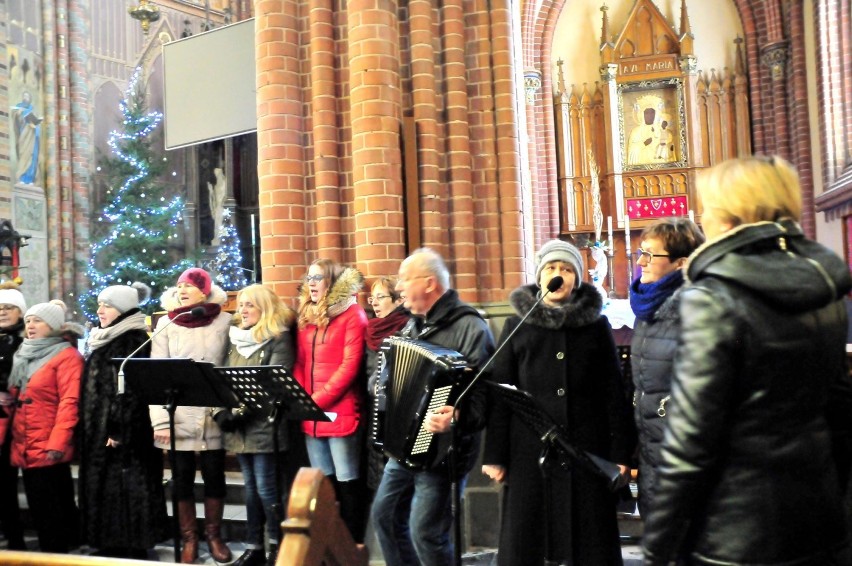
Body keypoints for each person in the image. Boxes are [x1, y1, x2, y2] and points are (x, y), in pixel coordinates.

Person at [642, 156, 852, 565]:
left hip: (736, 529)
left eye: (708, 207)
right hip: (818, 518)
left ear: (728, 213)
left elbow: (691, 440)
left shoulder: (713, 298)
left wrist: (657, 547)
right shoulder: (822, 284)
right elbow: (841, 412)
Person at [481, 240, 635, 566]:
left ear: (576, 280)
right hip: (529, 454)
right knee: (530, 542)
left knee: (588, 544)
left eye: (566, 269)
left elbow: (613, 394)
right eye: (551, 268)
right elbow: (501, 396)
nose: (558, 275)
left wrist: (621, 454)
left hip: (587, 450)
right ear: (540, 278)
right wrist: (495, 455)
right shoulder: (516, 327)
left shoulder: (595, 328)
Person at [371, 247, 496, 566]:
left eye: (404, 280)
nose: (398, 288)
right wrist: (382, 385)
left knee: (425, 531)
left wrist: (456, 416)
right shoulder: (413, 326)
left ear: (429, 283)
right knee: (384, 515)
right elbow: (386, 375)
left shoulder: (471, 328)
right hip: (405, 446)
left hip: (444, 452)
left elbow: (486, 400)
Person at [78, 282, 167, 559]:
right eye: (100, 304)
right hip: (99, 427)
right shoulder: (105, 337)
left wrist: (119, 428)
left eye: (107, 305)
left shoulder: (133, 340)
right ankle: (109, 541)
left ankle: (132, 542)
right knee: (106, 487)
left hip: (124, 431)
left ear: (123, 309)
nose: (100, 310)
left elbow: (131, 390)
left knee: (127, 487)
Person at [149, 267, 233, 564]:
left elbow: (229, 366)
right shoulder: (166, 324)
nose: (181, 290)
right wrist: (160, 421)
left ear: (205, 291)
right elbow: (155, 376)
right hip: (177, 414)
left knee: (215, 476)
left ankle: (213, 535)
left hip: (213, 413)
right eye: (179, 286)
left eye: (189, 286)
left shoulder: (225, 321)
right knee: (181, 479)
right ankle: (189, 539)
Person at [628, 218, 704, 517]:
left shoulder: (694, 310)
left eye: (651, 255)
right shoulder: (646, 308)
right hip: (650, 450)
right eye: (641, 253)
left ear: (681, 263)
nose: (642, 262)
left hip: (682, 457)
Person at [217, 284, 297, 566]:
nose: (243, 310)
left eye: (250, 305)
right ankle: (254, 548)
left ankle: (277, 546)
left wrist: (240, 410)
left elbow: (273, 384)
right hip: (239, 429)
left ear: (265, 308)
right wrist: (220, 412)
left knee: (267, 490)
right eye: (241, 305)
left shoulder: (278, 339)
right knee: (251, 490)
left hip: (265, 427)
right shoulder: (235, 338)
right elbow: (219, 378)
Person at [293, 258, 368, 542]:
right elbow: (300, 361)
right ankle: (329, 545)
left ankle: (351, 545)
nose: (311, 283)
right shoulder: (307, 315)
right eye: (309, 277)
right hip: (312, 412)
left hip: (341, 410)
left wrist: (317, 400)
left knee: (347, 481)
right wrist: (305, 399)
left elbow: (350, 366)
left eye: (318, 277)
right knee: (323, 485)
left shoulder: (352, 314)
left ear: (333, 282)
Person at [0, 302, 83, 552]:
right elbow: (12, 398)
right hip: (22, 441)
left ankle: (57, 555)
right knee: (39, 510)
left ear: (54, 325)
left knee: (51, 513)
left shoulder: (67, 356)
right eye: (28, 321)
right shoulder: (23, 353)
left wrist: (57, 443)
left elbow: (70, 403)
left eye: (38, 321)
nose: (31, 326)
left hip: (48, 444)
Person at [364, 277, 409, 496]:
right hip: (373, 413)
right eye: (372, 297)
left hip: (398, 414)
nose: (374, 303)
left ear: (399, 300)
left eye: (381, 297)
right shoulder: (371, 331)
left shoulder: (407, 328)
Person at [0, 285, 27, 550]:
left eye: (8, 308)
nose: (2, 312)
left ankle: (16, 538)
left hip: (17, 421)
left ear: (20, 312)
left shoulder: (25, 341)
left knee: (7, 482)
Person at [11, 91, 42, 185]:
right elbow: (16, 122)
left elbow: (36, 122)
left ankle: (30, 178)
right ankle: (22, 177)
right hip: (23, 136)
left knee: (32, 156)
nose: (25, 98)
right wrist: (19, 114)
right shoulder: (18, 108)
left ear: (30, 99)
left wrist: (36, 126)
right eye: (24, 96)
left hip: (32, 136)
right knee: (24, 155)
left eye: (27, 96)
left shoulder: (32, 109)